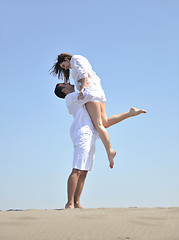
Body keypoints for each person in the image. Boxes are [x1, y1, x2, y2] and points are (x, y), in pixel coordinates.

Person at [54, 83, 146, 209]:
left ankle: (77, 202)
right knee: (77, 169)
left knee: (84, 171)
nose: (70, 83)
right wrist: (85, 83)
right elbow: (92, 94)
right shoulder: (70, 97)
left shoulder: (75, 97)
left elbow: (103, 121)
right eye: (65, 84)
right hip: (83, 134)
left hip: (91, 135)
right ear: (64, 90)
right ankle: (69, 203)